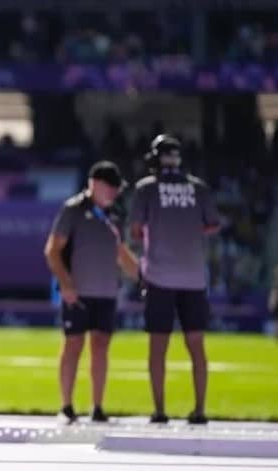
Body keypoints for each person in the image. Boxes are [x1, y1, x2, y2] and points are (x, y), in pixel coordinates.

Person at [129, 135, 220, 425]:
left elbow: (135, 231)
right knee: (196, 344)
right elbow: (212, 226)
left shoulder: (146, 189)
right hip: (193, 277)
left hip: (159, 276)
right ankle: (200, 410)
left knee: (158, 347)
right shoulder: (199, 188)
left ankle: (159, 410)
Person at [44, 161, 139, 425]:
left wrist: (143, 277)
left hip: (107, 291)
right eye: (111, 187)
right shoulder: (73, 210)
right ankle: (66, 406)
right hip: (78, 291)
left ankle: (97, 407)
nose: (115, 193)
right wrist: (65, 283)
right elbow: (52, 250)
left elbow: (120, 252)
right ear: (95, 184)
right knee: (73, 345)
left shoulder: (115, 215)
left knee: (100, 347)